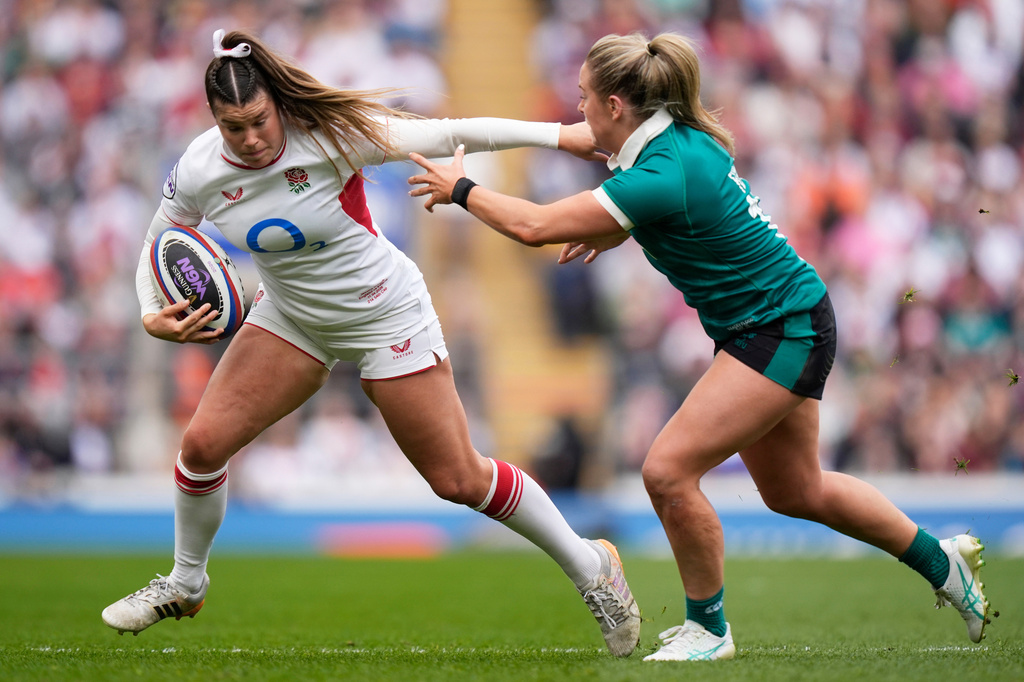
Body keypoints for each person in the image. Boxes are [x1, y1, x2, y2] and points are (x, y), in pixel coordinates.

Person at [408, 31, 994, 661]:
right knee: (798, 490)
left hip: (779, 328)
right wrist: (608, 228)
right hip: (784, 318)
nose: (575, 109)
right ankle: (945, 561)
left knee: (666, 471)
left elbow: (534, 225)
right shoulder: (662, 135)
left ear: (615, 105)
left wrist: (463, 188)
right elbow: (581, 143)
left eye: (582, 98)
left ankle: (709, 631)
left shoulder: (661, 171)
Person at [101, 29, 641, 658]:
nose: (249, 139)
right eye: (232, 127)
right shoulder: (199, 167)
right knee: (200, 446)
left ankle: (592, 566)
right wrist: (149, 312)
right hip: (293, 318)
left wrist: (560, 135)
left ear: (276, 102)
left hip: (384, 312)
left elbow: (445, 132)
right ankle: (186, 582)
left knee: (458, 479)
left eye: (257, 121)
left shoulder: (332, 134)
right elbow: (159, 237)